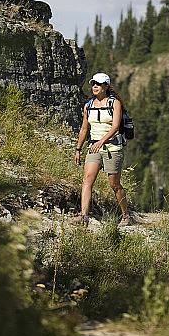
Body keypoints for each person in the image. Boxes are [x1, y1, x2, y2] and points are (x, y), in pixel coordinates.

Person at [74, 72, 132, 226]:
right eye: (93, 83)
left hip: (112, 148)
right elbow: (84, 129)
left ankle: (126, 215)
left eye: (99, 84)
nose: (95, 86)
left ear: (106, 86)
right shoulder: (89, 105)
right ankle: (83, 216)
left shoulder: (115, 103)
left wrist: (102, 141)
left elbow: (115, 127)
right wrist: (78, 149)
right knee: (87, 179)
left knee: (114, 185)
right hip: (94, 147)